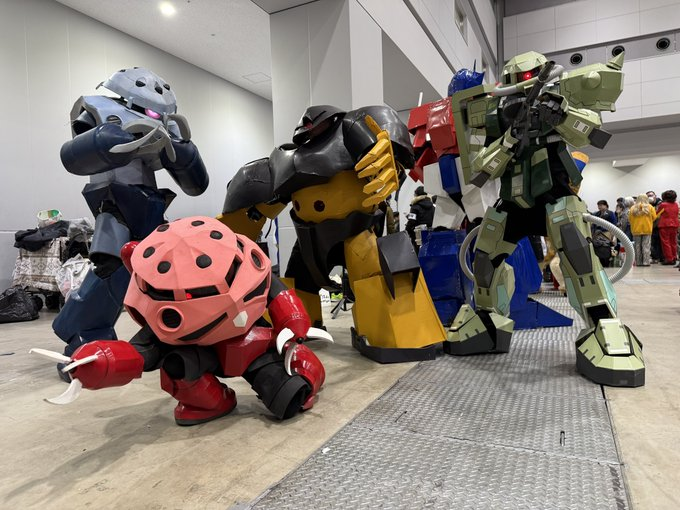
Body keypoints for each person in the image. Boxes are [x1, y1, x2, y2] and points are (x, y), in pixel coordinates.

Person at [629, 194, 657, 266]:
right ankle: (646, 262)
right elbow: (654, 217)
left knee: (637, 246)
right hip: (647, 229)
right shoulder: (650, 207)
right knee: (646, 246)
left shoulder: (632, 208)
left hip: (636, 229)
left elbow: (630, 219)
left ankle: (638, 262)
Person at [405, 185, 435, 250]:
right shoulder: (432, 206)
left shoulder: (414, 207)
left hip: (418, 235)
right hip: (431, 233)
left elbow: (411, 221)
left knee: (419, 252)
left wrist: (407, 230)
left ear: (417, 195)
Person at [656, 190, 679, 265]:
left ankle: (669, 259)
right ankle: (674, 257)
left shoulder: (663, 205)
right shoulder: (676, 204)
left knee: (665, 242)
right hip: (675, 225)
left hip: (665, 225)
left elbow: (657, 214)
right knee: (673, 242)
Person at [591, 200, 616, 267]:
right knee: (598, 247)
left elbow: (614, 224)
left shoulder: (610, 213)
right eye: (598, 205)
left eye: (601, 205)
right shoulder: (596, 214)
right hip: (597, 234)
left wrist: (613, 235)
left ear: (606, 205)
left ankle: (607, 261)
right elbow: (593, 224)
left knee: (606, 247)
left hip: (607, 233)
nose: (599, 207)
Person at [646, 191, 662, 262]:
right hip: (650, 227)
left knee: (659, 243)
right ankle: (655, 257)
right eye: (648, 196)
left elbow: (658, 216)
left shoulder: (660, 204)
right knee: (652, 243)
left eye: (651, 195)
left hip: (659, 226)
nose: (650, 197)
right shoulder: (646, 205)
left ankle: (660, 257)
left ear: (655, 195)